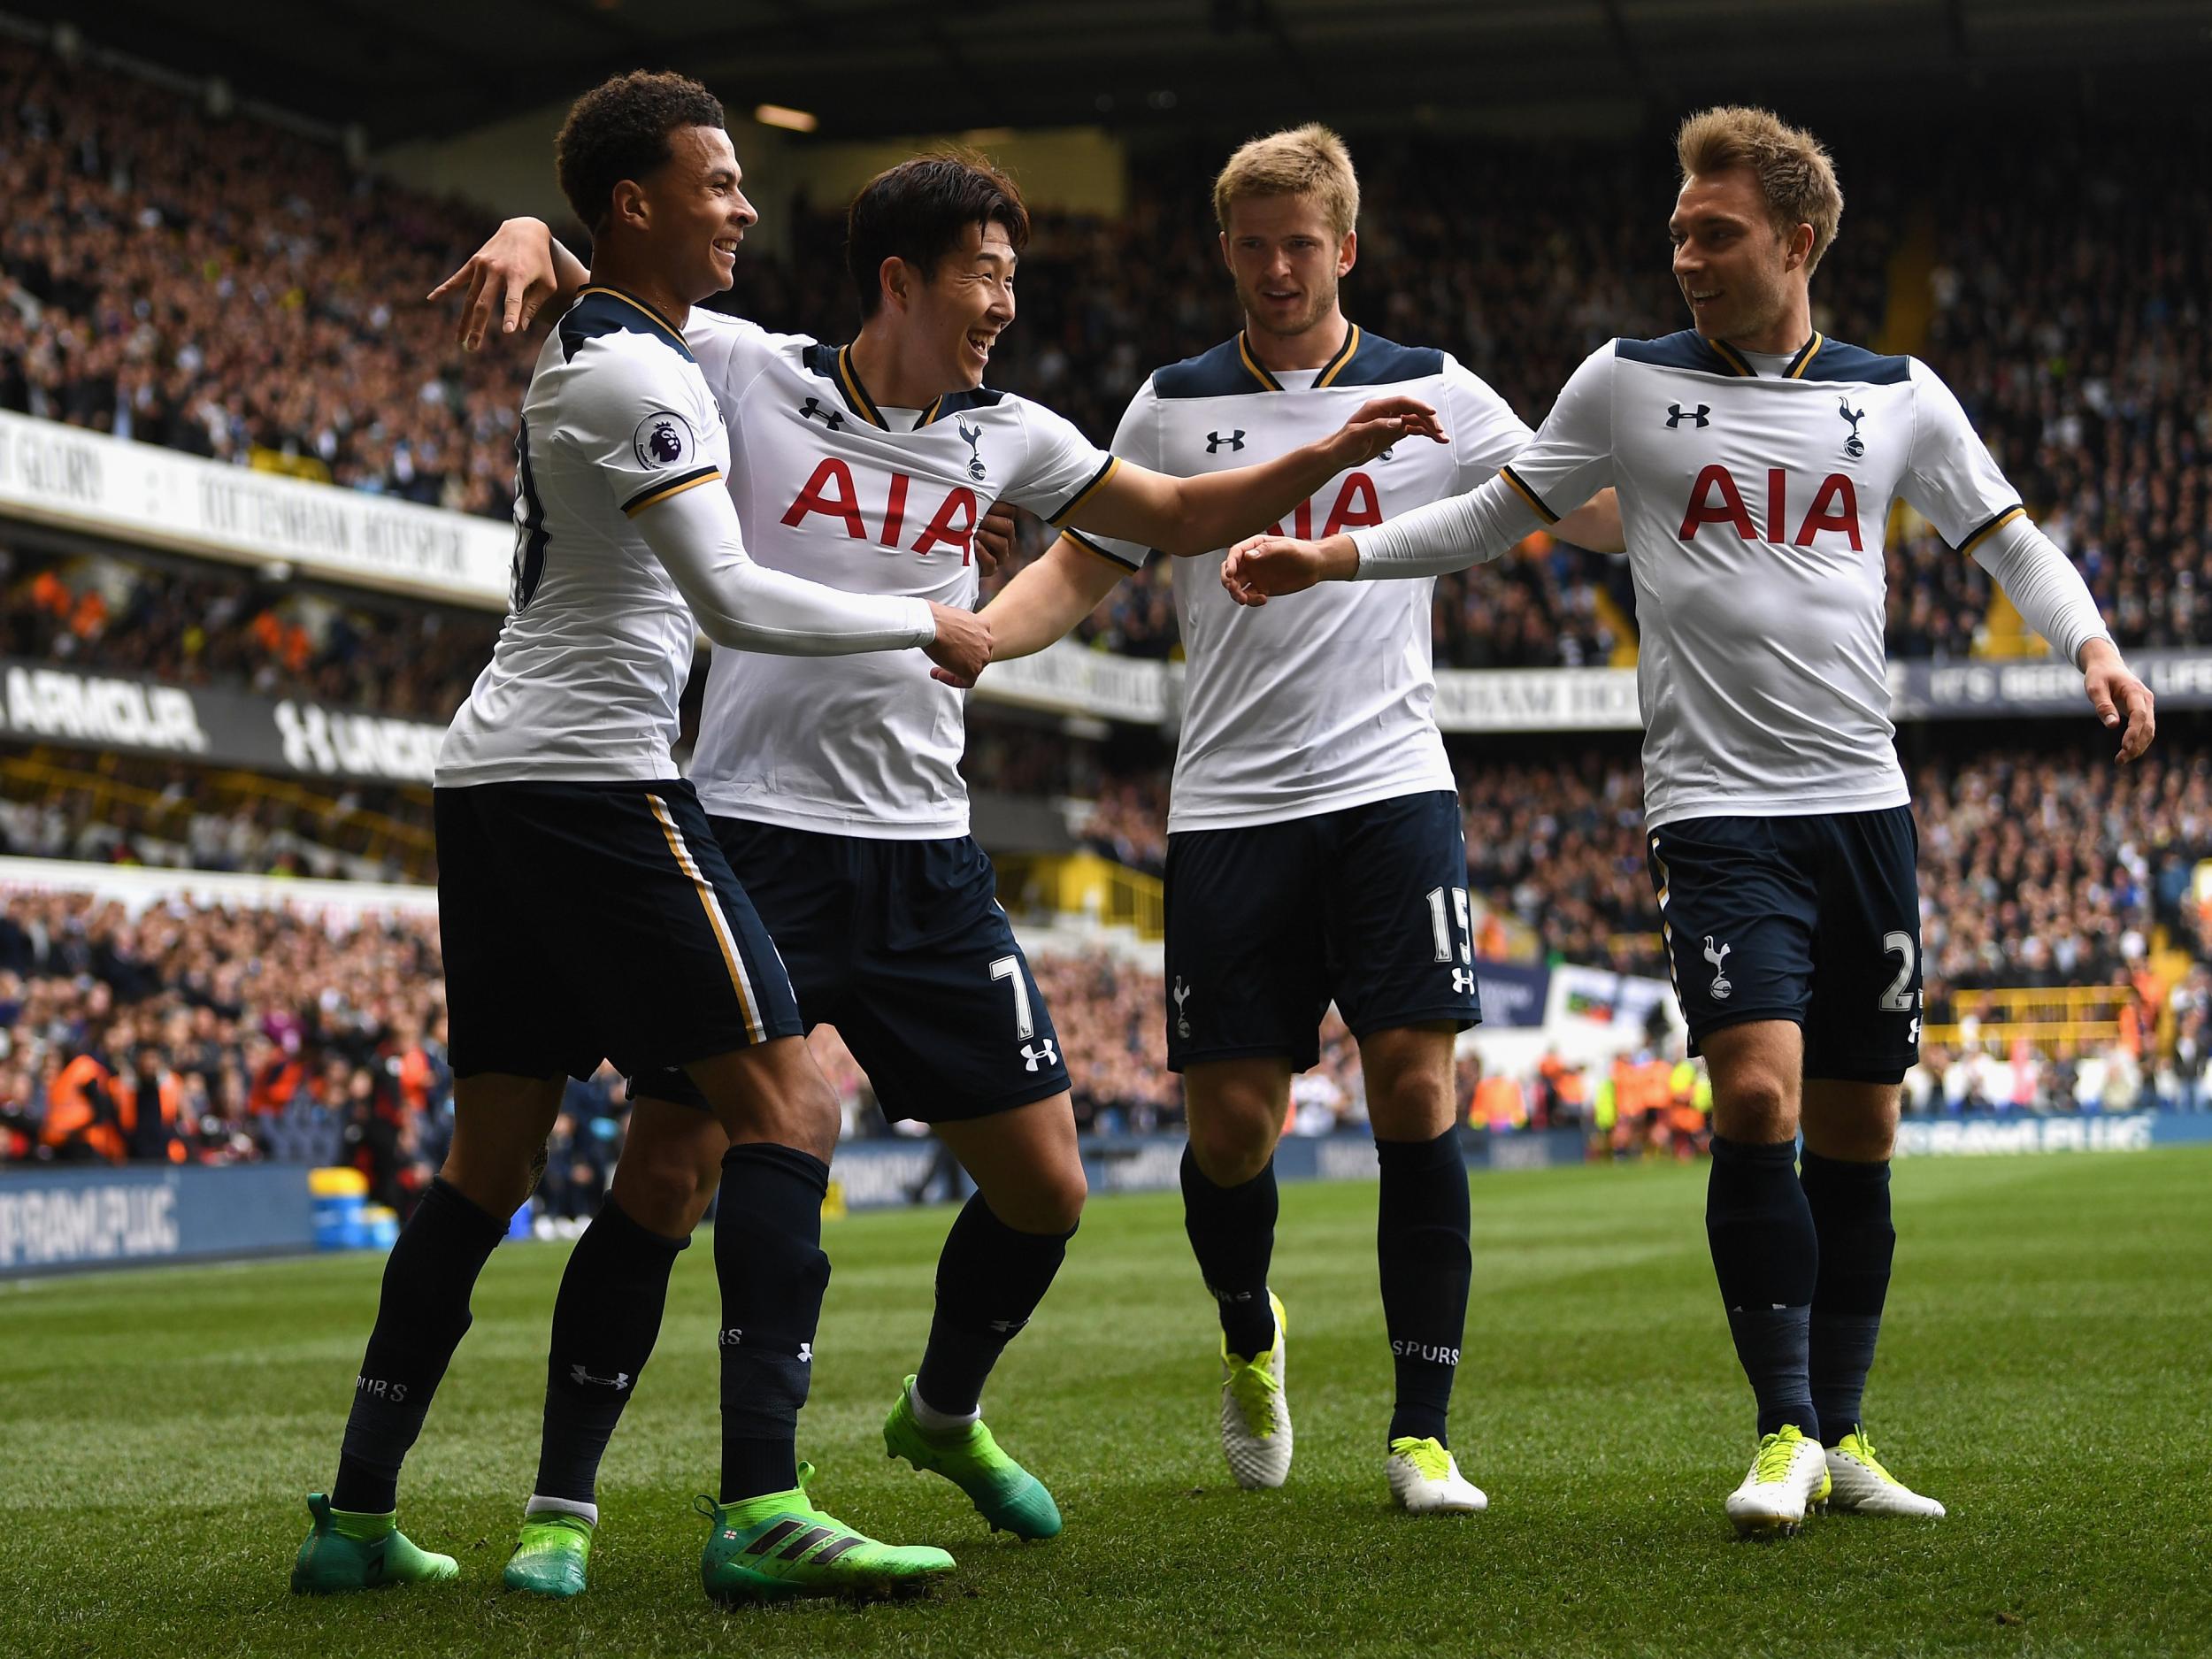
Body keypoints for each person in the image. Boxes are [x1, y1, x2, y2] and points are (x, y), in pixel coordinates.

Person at [434, 148, 1435, 1586]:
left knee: (1047, 1189)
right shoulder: (744, 367)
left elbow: (1169, 513)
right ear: (901, 279)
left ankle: (942, 1414)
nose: (1005, 306)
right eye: (986, 275)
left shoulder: (1014, 433)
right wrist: (536, 221)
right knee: (665, 1172)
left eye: (1015, 280)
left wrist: (1325, 460)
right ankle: (562, 1508)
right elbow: (615, 300)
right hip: (757, 832)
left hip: (926, 859)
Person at [1218, 106, 2155, 1536]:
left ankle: (1843, 1435)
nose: (1685, 256)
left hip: (1866, 806)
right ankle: (1779, 1427)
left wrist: (2087, 643)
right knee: (1760, 1097)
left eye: (1712, 233)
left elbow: (2007, 538)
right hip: (1717, 812)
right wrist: (1334, 554)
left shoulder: (1899, 393)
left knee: (1858, 1131)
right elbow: (1489, 516)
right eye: (1675, 232)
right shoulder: (1624, 382)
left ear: (1797, 239)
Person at [290, 71, 992, 1606]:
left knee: (488, 1164)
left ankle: (353, 1516)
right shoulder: (638, 379)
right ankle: (760, 1504)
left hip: (499, 784)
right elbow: (734, 600)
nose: (746, 205)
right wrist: (922, 622)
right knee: (789, 1104)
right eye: (719, 181)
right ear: (638, 204)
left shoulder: (624, 348)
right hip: (593, 789)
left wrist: (535, 229)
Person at [975, 125, 1621, 1513]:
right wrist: (982, 633)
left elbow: (1580, 506)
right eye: (1253, 244)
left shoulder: (1434, 387)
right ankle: (1251, 1334)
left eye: (1301, 243)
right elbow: (1085, 568)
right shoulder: (1169, 408)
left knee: (1415, 1090)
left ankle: (1423, 1433)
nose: (1278, 268)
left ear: (1346, 246)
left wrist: (1726, 503)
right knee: (1233, 1137)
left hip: (1393, 786)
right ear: (1227, 251)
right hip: (1230, 806)